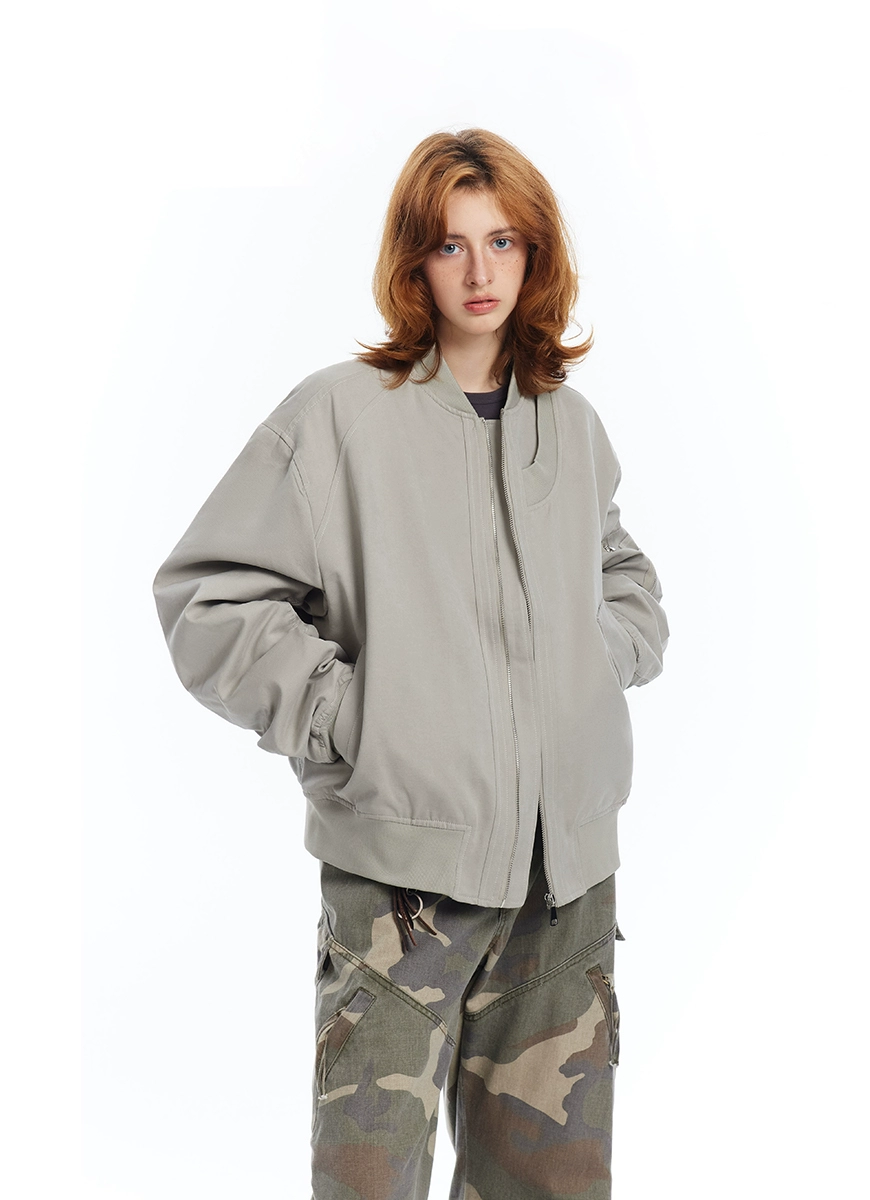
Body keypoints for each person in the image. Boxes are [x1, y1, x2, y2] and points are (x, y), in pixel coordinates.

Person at [153, 127, 669, 1200]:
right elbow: (208, 599)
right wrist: (351, 719)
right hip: (401, 886)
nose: (480, 271)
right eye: (450, 245)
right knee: (370, 1186)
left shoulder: (570, 427)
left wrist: (591, 665)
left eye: (504, 241)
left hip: (564, 882)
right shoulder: (340, 418)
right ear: (413, 261)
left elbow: (624, 577)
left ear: (536, 255)